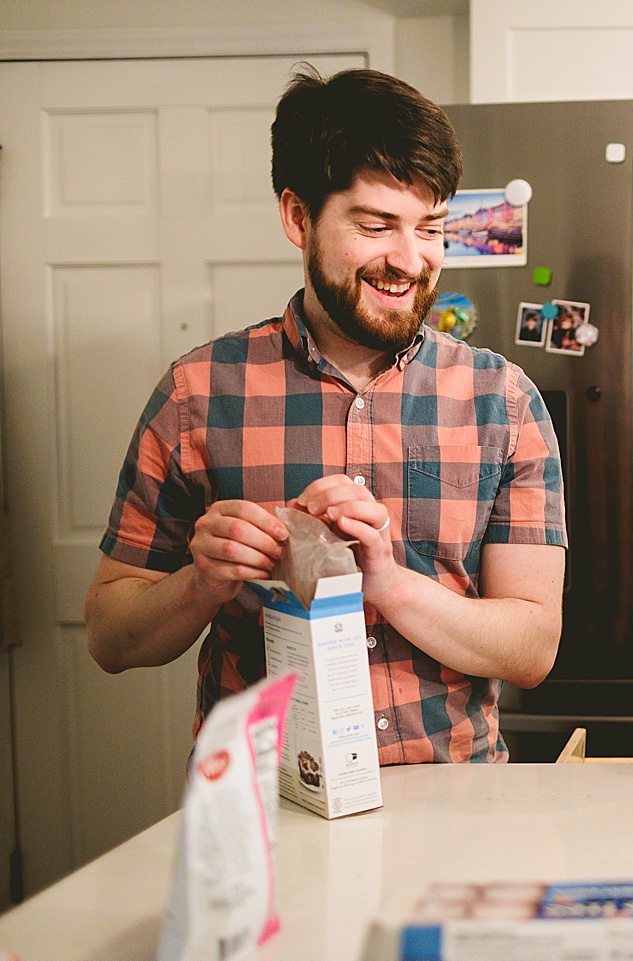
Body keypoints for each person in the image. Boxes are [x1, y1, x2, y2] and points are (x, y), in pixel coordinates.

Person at [83, 66, 567, 764]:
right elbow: (108, 636)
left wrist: (390, 585)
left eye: (431, 228)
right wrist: (202, 583)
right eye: (376, 226)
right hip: (265, 803)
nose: (410, 259)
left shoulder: (503, 399)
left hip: (457, 806)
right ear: (298, 216)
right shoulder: (197, 393)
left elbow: (532, 647)